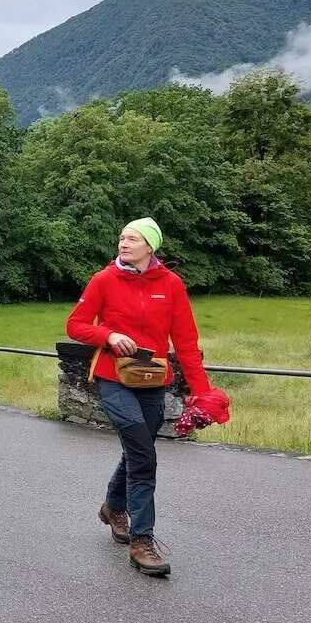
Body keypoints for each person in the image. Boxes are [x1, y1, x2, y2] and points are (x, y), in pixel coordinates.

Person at [66, 217, 213, 577]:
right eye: (122, 238)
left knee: (138, 449)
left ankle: (113, 506)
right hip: (113, 378)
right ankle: (142, 541)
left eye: (132, 239)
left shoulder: (171, 284)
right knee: (143, 455)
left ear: (151, 246)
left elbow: (186, 343)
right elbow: (75, 324)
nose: (124, 243)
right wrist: (108, 335)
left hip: (153, 380)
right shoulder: (104, 279)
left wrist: (203, 394)